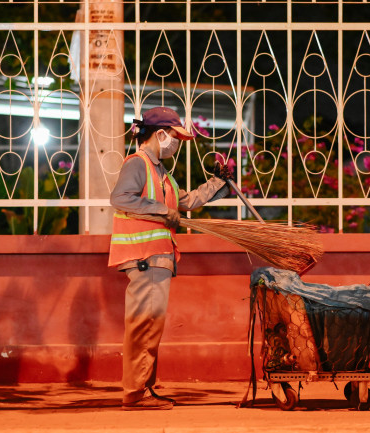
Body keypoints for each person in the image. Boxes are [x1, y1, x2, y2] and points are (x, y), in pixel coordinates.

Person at [108, 106, 232, 410]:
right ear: (160, 134)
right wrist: (164, 211)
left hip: (157, 259)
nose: (176, 144)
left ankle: (145, 387)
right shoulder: (138, 164)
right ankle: (136, 393)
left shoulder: (160, 172)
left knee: (151, 326)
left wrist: (218, 185)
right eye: (174, 138)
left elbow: (184, 202)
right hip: (144, 259)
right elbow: (120, 198)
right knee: (144, 326)